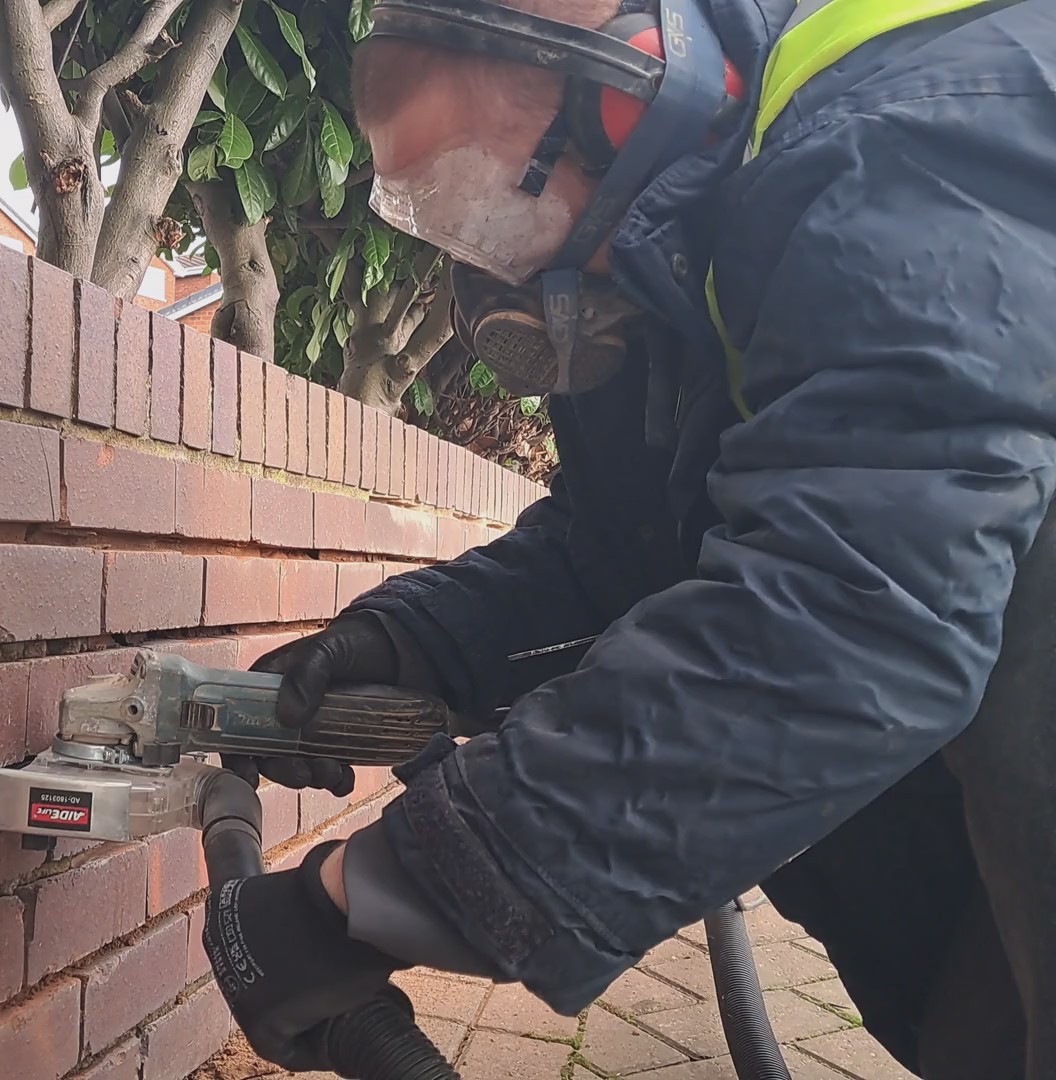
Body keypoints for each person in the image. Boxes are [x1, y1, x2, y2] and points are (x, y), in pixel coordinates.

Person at [199, 0, 1056, 1075]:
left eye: (481, 207)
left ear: (625, 88)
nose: (486, 274)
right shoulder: (671, 251)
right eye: (438, 224)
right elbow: (628, 543)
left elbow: (857, 605)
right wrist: (413, 645)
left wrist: (370, 896)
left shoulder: (910, 134)